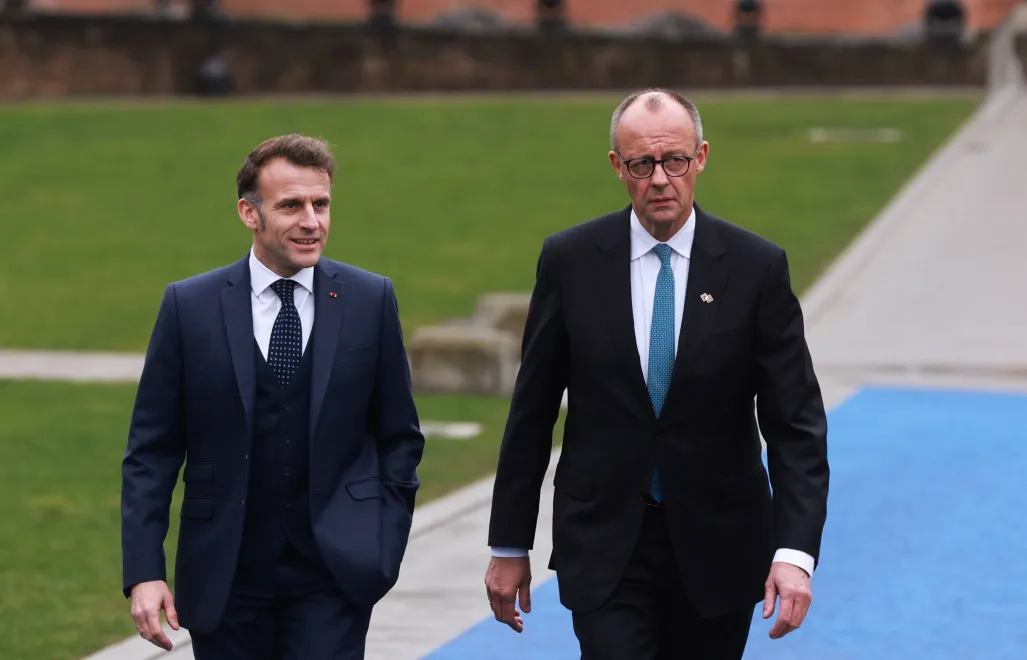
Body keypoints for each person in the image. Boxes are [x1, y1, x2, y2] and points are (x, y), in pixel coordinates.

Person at [484, 88, 830, 659]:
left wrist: (794, 555)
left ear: (701, 158)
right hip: (604, 544)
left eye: (675, 160)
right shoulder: (570, 260)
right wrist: (508, 542)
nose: (661, 179)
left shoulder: (756, 267)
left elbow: (795, 424)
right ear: (619, 167)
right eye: (642, 164)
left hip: (719, 545)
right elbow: (532, 411)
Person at [120, 134, 425, 659]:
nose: (312, 221)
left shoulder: (370, 299)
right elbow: (151, 453)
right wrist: (145, 573)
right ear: (249, 213)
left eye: (321, 204)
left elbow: (399, 436)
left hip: (334, 576)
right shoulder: (188, 307)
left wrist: (382, 544)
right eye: (291, 206)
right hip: (225, 576)